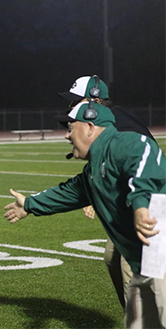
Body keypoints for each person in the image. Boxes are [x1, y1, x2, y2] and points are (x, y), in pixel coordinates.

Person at [4, 101, 166, 328]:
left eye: (71, 128)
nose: (67, 136)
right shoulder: (93, 169)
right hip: (144, 261)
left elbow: (146, 160)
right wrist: (30, 205)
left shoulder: (123, 142)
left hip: (160, 254)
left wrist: (140, 205)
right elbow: (69, 192)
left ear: (90, 127)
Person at [58, 75, 155, 311]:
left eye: (74, 101)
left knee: (131, 267)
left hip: (147, 203)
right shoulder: (107, 122)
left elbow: (143, 164)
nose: (70, 107)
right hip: (129, 203)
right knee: (112, 258)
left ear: (92, 101)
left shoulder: (117, 124)